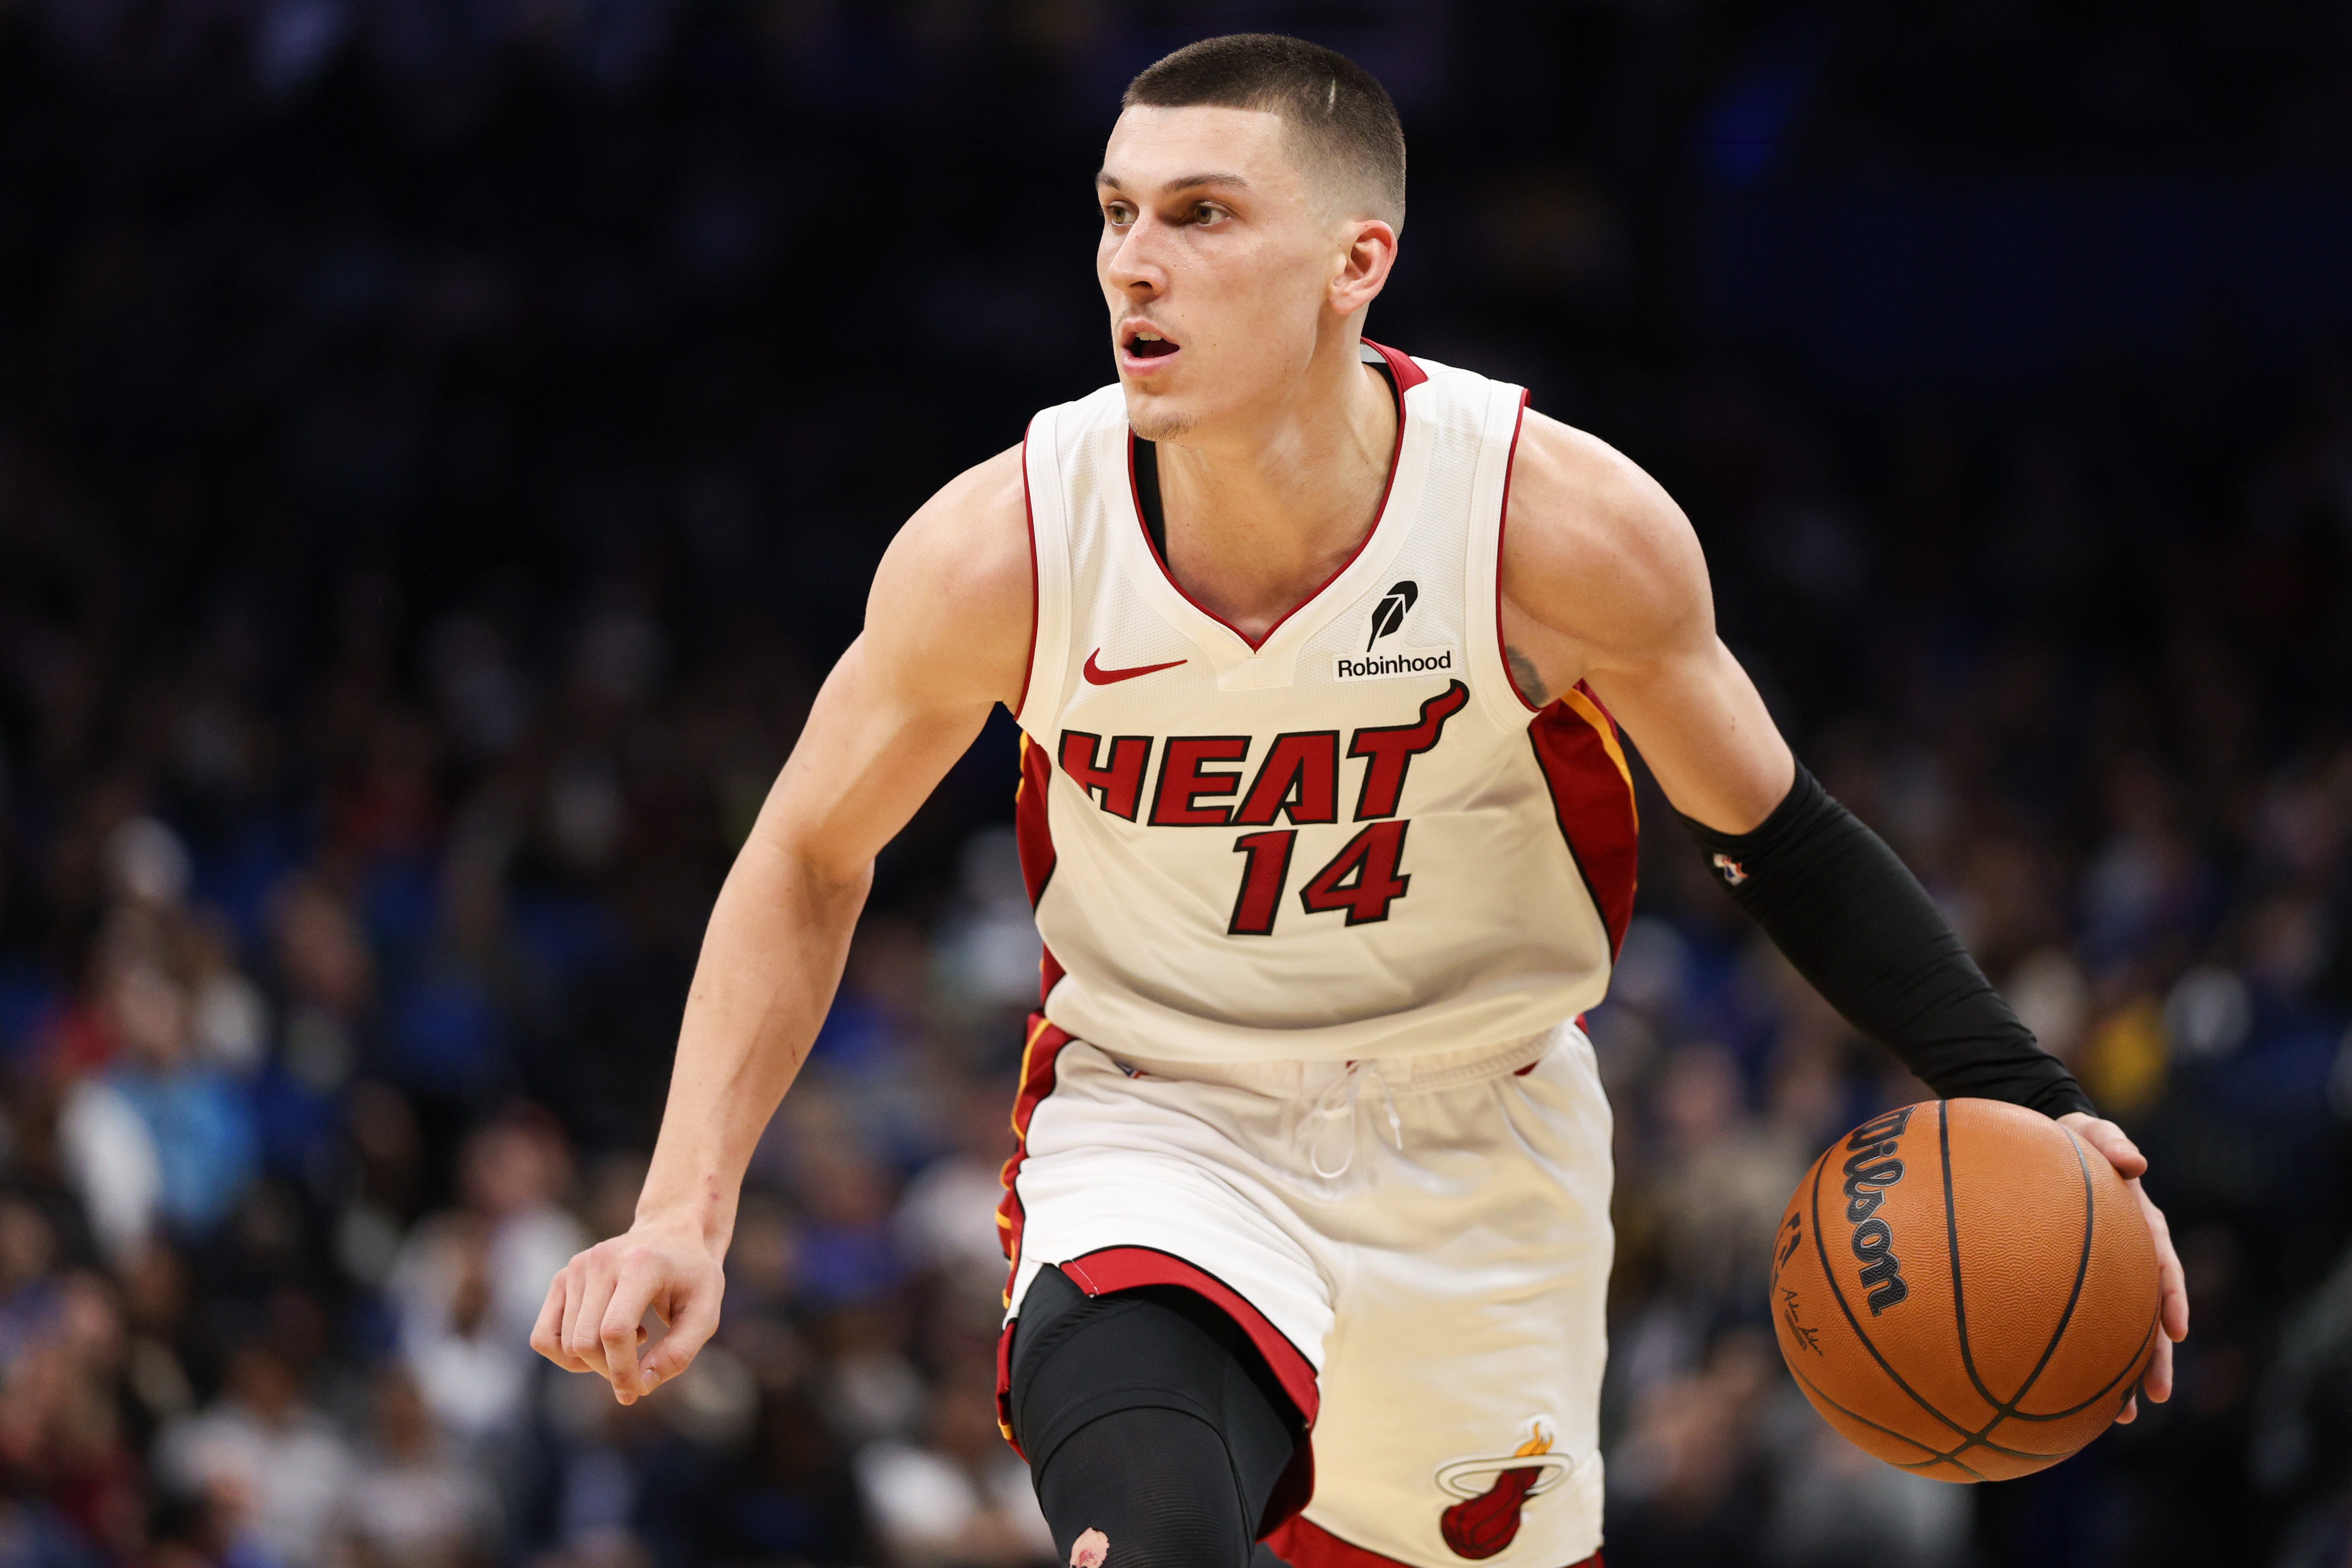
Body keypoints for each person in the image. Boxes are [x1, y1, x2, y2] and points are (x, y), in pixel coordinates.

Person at [532, 33, 2188, 1568]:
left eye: (1201, 214)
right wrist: (684, 1209)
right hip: (1163, 1117)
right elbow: (810, 851)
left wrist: (2028, 1096)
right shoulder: (1004, 549)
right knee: (1149, 1529)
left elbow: (1778, 834)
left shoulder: (1551, 528)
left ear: (1356, 262)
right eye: (1116, 212)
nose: (1133, 262)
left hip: (1485, 1148)